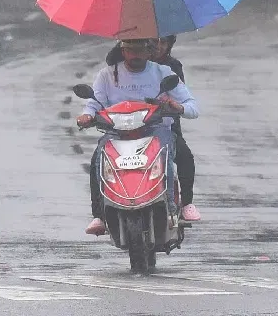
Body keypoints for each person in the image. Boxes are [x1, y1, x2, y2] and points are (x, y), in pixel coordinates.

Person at [78, 38, 199, 236]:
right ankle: (99, 214)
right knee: (98, 158)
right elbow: (94, 103)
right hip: (116, 132)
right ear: (122, 51)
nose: (135, 55)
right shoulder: (106, 75)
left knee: (169, 153)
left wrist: (178, 107)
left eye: (140, 50)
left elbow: (193, 107)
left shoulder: (164, 73)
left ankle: (173, 207)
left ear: (149, 51)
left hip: (156, 130)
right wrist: (87, 115)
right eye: (130, 50)